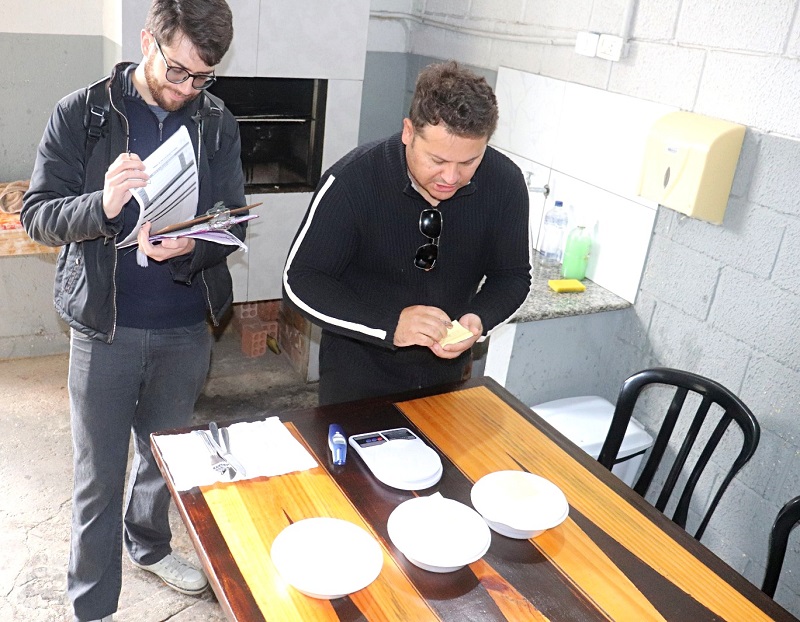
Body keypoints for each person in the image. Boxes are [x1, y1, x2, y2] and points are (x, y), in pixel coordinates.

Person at [21, 1, 246, 620]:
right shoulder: (84, 112)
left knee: (164, 456)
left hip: (183, 326)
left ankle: (148, 544)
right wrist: (102, 203)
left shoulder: (215, 120)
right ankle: (91, 605)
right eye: (177, 71)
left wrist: (194, 243)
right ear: (147, 40)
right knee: (98, 475)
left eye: (201, 78)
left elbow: (231, 216)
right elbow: (37, 214)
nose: (186, 90)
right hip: (105, 329)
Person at [283, 60, 532, 405]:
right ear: (408, 132)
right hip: (357, 378)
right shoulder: (352, 180)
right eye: (437, 160)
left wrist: (479, 318)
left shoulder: (505, 183)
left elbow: (513, 276)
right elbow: (301, 280)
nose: (450, 177)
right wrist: (389, 326)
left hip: (447, 381)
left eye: (468, 163)